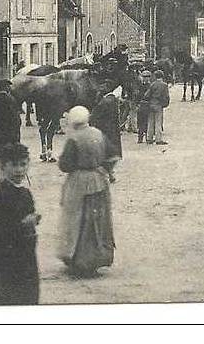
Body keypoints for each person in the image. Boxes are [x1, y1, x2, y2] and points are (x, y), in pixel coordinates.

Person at [57, 106, 116, 276]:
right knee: (98, 219)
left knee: (78, 219)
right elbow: (112, 155)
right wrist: (104, 169)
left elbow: (65, 165)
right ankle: (98, 256)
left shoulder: (73, 138)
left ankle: (79, 259)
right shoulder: (98, 133)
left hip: (79, 182)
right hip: (98, 180)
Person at [0, 142, 40, 305]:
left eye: (23, 164)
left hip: (24, 257)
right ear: (3, 167)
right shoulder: (1, 196)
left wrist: (32, 220)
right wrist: (24, 224)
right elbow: (0, 232)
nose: (19, 170)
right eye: (14, 165)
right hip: (5, 261)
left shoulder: (25, 193)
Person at [89, 92, 122, 183]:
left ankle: (105, 175)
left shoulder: (102, 103)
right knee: (111, 155)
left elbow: (93, 118)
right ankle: (110, 174)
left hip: (103, 131)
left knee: (102, 155)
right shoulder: (114, 102)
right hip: (113, 132)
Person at [144, 68, 170, 145]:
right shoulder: (164, 85)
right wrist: (165, 104)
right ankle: (158, 139)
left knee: (150, 122)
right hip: (159, 105)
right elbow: (166, 96)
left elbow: (146, 95)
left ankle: (149, 138)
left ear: (155, 76)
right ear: (162, 76)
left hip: (151, 104)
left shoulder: (152, 84)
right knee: (158, 122)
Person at [136, 69, 154, 144]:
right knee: (140, 122)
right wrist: (137, 103)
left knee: (147, 122)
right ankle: (140, 138)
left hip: (147, 105)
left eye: (147, 77)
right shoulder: (140, 86)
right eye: (144, 77)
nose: (145, 78)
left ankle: (147, 137)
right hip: (141, 105)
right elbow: (137, 95)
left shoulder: (151, 86)